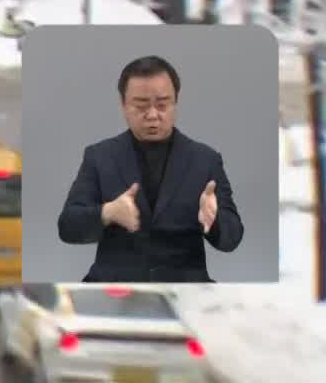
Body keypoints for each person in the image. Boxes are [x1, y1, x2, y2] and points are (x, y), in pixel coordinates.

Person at [57, 54, 244, 282]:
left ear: (175, 102)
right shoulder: (100, 156)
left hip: (183, 287)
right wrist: (108, 213)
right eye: (141, 105)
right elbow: (68, 227)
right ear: (123, 105)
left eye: (163, 104)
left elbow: (232, 239)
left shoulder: (205, 160)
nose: (153, 115)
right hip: (115, 287)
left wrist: (214, 220)